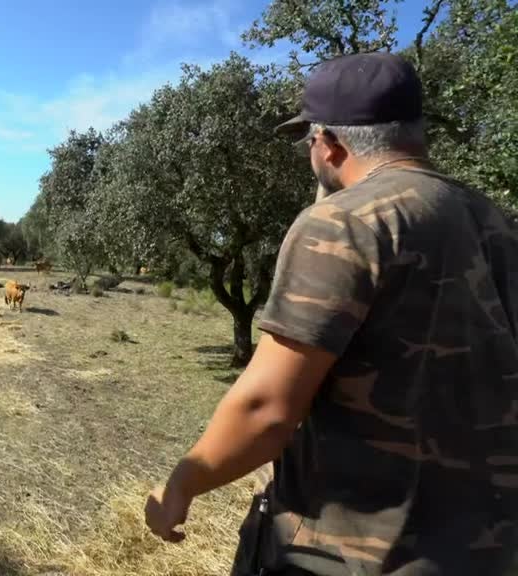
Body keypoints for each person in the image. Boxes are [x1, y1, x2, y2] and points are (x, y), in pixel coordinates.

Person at [144, 52, 518, 575]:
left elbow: (268, 409)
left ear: (329, 143)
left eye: (308, 140)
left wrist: (182, 484)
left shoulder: (344, 223)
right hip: (488, 549)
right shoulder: (496, 222)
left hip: (353, 553)